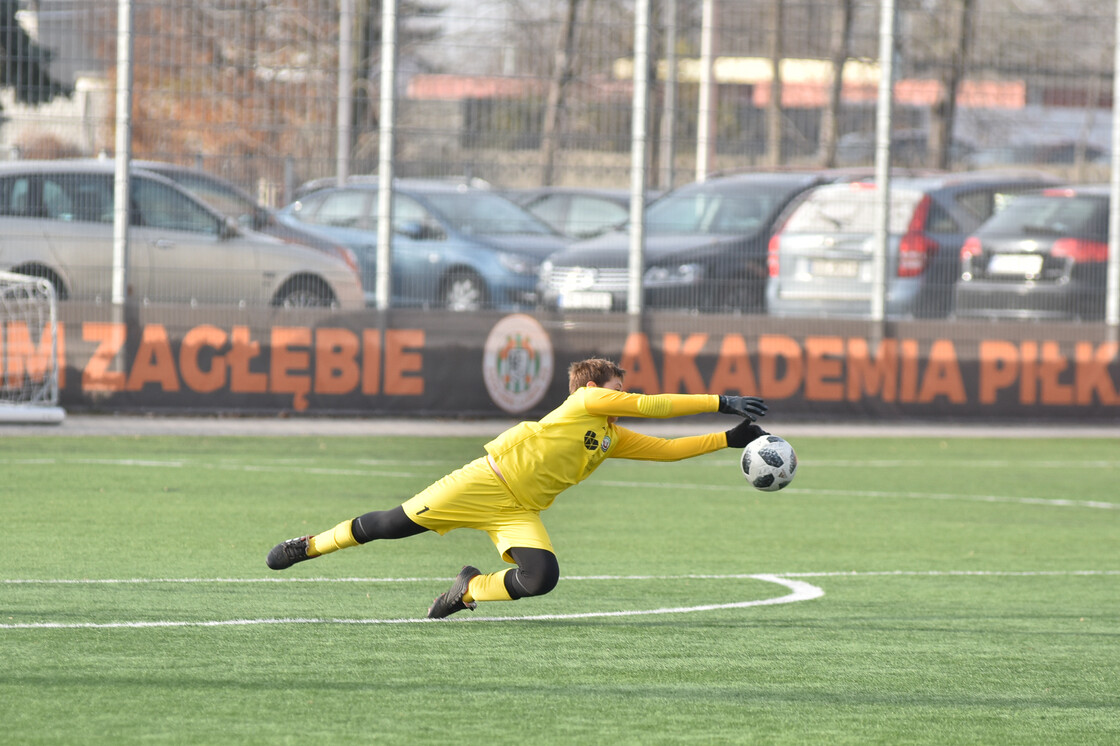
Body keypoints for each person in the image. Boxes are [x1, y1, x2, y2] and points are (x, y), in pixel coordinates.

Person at [266, 358, 769, 619]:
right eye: (619, 386)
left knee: (541, 576)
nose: (627, 394)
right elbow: (652, 405)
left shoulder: (609, 434)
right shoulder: (584, 403)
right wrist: (721, 400)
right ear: (591, 388)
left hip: (519, 508)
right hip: (484, 482)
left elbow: (666, 449)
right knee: (390, 526)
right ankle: (305, 546)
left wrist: (729, 439)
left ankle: (467, 590)